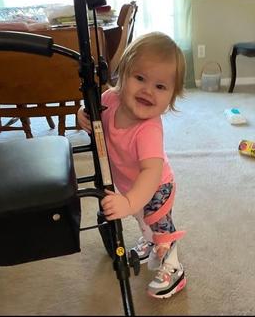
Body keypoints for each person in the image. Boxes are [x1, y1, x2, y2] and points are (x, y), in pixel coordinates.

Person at [77, 31, 186, 299]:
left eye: (161, 87)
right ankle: (148, 241)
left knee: (160, 226)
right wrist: (82, 114)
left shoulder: (148, 130)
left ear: (171, 97)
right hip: (130, 183)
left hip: (156, 186)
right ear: (122, 75)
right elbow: (92, 111)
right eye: (140, 78)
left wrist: (129, 202)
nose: (148, 91)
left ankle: (173, 267)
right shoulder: (109, 100)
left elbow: (151, 172)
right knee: (142, 220)